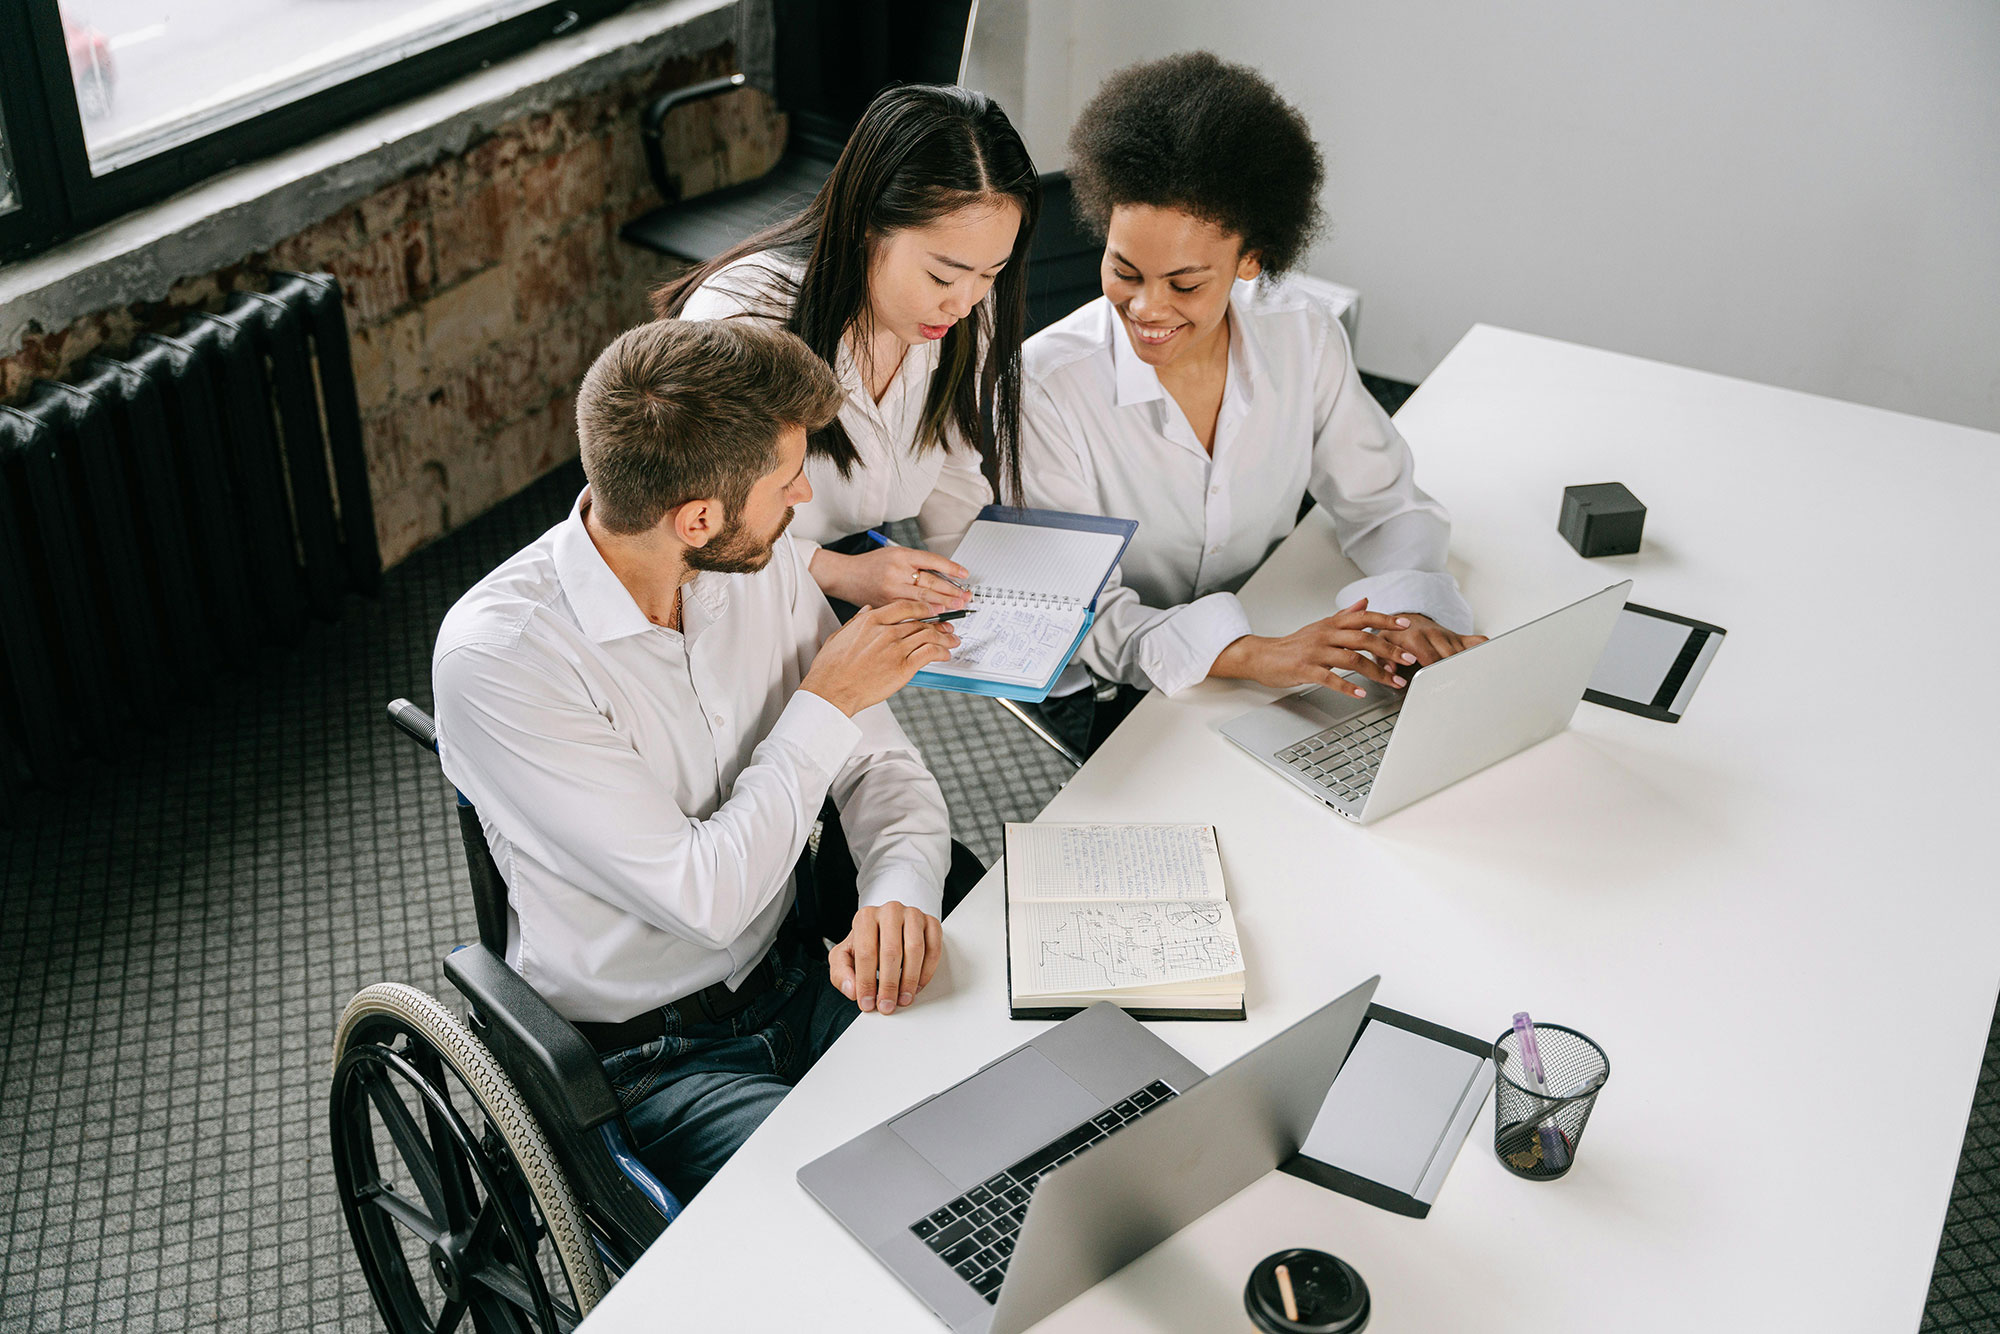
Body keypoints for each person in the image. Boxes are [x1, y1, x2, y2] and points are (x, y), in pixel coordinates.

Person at [432, 319, 970, 1203]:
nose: (805, 495)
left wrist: (897, 894)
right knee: (862, 1212)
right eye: (787, 477)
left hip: (804, 970)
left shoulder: (759, 564)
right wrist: (824, 701)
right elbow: (706, 902)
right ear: (699, 518)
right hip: (647, 1059)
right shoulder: (500, 660)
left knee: (986, 1122)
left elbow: (880, 769)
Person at [1020, 52, 1487, 756]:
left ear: (1249, 261)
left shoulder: (1301, 333)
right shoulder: (1047, 388)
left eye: (1185, 284)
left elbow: (1386, 503)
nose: (1147, 308)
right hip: (1141, 685)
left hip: (1282, 629)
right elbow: (1077, 614)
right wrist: (1247, 653)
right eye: (1124, 270)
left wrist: (1409, 609)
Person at [653, 83, 1039, 618]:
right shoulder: (741, 323)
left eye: (991, 274)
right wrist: (840, 573)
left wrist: (977, 592)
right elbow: (687, 530)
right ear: (865, 222)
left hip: (850, 567)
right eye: (941, 274)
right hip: (718, 588)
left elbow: (953, 473)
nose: (966, 303)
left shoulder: (969, 311)